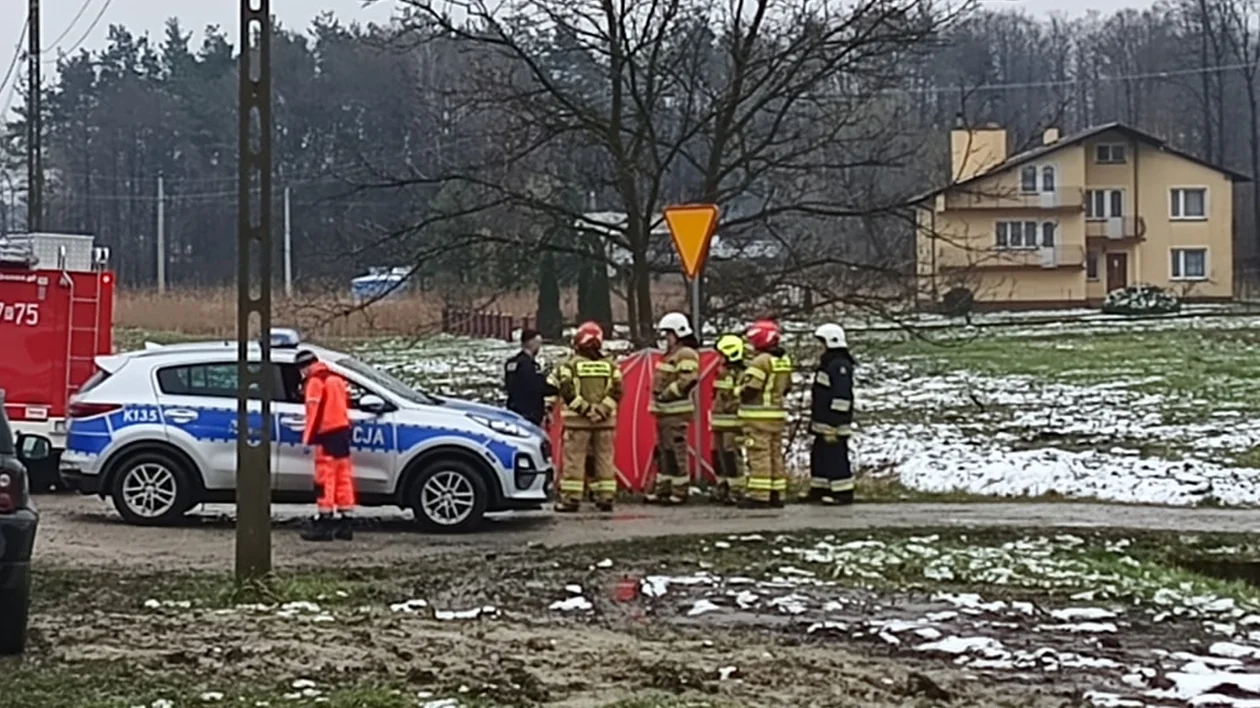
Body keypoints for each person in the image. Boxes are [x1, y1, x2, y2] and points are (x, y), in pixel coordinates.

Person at [546, 321, 622, 512]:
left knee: (574, 460)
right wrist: (601, 411)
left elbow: (564, 390)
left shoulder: (568, 366)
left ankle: (571, 499)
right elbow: (617, 392)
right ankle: (606, 498)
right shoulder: (611, 366)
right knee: (604, 459)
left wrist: (586, 410)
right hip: (605, 423)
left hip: (577, 423)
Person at [297, 350, 356, 541]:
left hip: (326, 435)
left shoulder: (315, 382)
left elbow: (313, 412)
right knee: (343, 478)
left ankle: (325, 522)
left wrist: (308, 438)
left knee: (325, 480)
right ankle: (347, 522)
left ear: (305, 367)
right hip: (341, 432)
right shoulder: (336, 379)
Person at [737, 319, 793, 509]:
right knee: (775, 455)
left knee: (759, 455)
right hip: (776, 415)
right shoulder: (783, 360)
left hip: (758, 417)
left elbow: (752, 388)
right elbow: (787, 387)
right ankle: (776, 493)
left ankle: (759, 495)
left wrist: (739, 391)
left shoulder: (760, 361)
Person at [646, 312, 700, 504]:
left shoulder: (685, 353)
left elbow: (688, 380)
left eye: (668, 334)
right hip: (664, 413)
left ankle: (679, 491)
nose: (666, 339)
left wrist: (667, 394)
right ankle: (664, 489)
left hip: (676, 413)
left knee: (677, 453)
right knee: (665, 452)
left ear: (678, 333)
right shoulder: (670, 355)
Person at [809, 323, 856, 505]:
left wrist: (834, 425)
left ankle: (842, 492)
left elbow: (842, 396)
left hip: (833, 422)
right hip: (824, 421)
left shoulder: (839, 365)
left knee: (835, 456)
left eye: (821, 343)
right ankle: (819, 488)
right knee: (820, 455)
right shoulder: (830, 363)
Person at [711, 334, 747, 504]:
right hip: (719, 420)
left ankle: (737, 490)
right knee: (717, 455)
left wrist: (729, 407)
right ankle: (722, 486)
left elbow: (738, 397)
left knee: (731, 454)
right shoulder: (722, 372)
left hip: (733, 421)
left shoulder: (741, 374)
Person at [504, 328, 557, 427]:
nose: (539, 348)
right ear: (532, 343)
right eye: (539, 344)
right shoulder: (530, 366)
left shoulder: (511, 363)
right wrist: (557, 389)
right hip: (530, 414)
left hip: (513, 411)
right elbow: (538, 387)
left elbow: (509, 386)